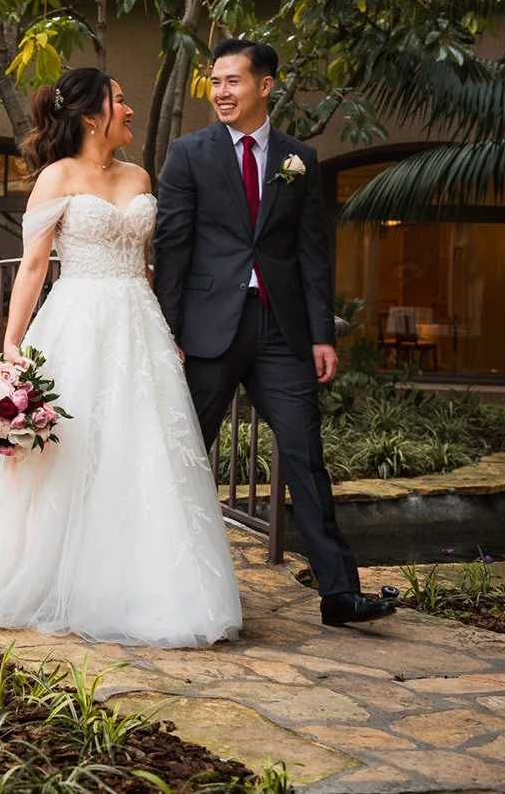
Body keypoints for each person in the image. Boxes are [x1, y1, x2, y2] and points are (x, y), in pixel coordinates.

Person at [0, 67, 243, 647]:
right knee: (70, 450)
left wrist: (170, 327)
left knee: (142, 451)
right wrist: (13, 345)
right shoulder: (56, 177)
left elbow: (144, 266)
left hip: (139, 327)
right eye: (120, 100)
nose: (129, 109)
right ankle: (43, 570)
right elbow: (33, 266)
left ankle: (143, 583)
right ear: (92, 117)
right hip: (77, 322)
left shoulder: (140, 176)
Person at [153, 38, 393, 628]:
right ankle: (156, 576)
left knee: (306, 456)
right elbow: (173, 248)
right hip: (208, 333)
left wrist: (321, 335)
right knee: (183, 454)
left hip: (282, 333)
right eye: (215, 83)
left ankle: (340, 594)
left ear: (265, 86)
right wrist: (169, 329)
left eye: (233, 82)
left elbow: (312, 253)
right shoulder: (189, 154)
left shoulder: (299, 159)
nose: (221, 93)